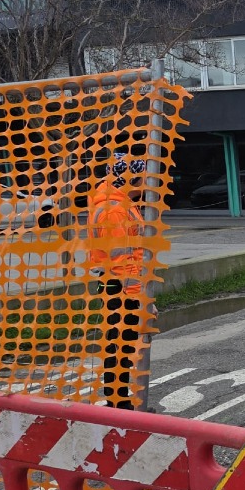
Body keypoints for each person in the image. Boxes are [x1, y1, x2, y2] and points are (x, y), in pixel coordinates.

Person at [89, 151, 153, 410]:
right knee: (119, 346)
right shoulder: (114, 209)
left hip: (121, 284)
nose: (146, 184)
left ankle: (119, 400)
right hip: (121, 286)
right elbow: (123, 259)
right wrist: (138, 297)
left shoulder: (119, 202)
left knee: (121, 345)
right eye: (142, 179)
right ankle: (118, 404)